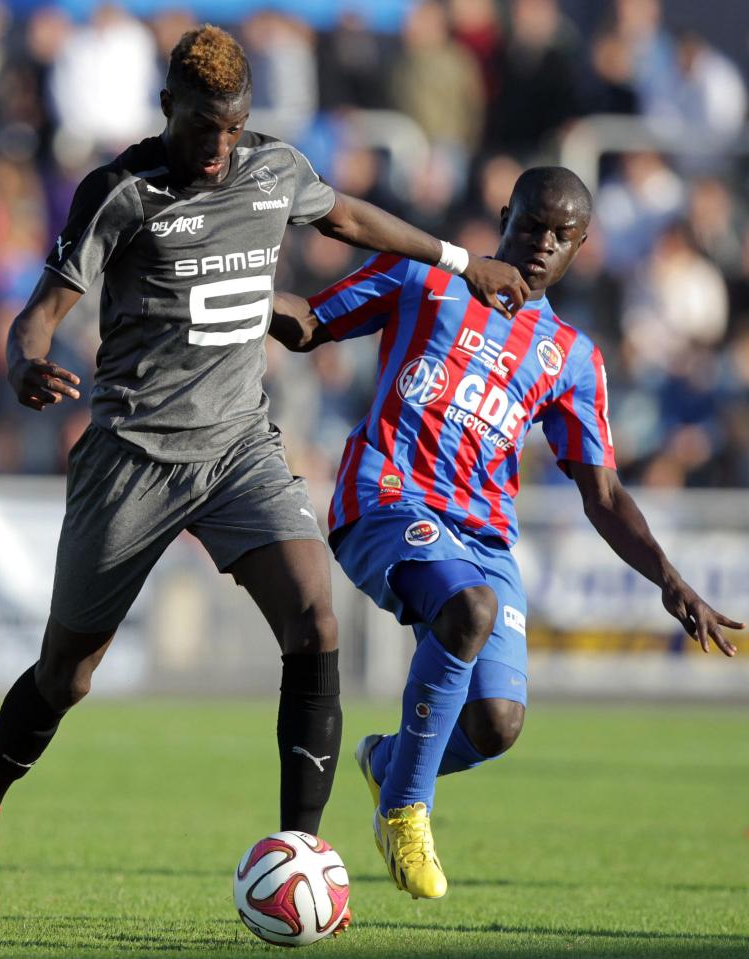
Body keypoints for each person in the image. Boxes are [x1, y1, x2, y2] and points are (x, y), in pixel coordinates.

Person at [0, 24, 530, 925]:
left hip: (239, 448)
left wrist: (459, 260)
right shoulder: (121, 191)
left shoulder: (273, 168)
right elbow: (43, 308)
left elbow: (348, 216)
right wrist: (28, 361)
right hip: (134, 457)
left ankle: (304, 849)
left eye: (234, 127)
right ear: (168, 107)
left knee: (314, 619)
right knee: (68, 675)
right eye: (204, 126)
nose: (219, 147)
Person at [269, 166, 743, 900]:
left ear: (581, 246)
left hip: (484, 535)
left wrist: (670, 580)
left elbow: (603, 493)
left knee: (497, 722)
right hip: (387, 497)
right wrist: (232, 294)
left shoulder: (573, 357)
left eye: (562, 236)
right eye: (531, 226)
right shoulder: (424, 277)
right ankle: (403, 809)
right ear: (504, 214)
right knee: (468, 609)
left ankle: (390, 761)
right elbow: (307, 324)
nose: (542, 245)